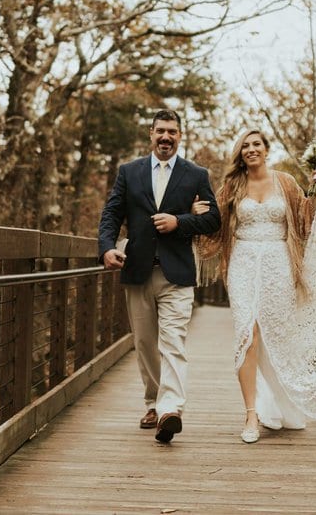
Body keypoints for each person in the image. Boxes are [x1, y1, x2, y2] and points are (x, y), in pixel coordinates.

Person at [194, 129, 316, 444]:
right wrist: (196, 216)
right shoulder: (232, 186)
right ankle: (250, 413)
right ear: (240, 153)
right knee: (248, 333)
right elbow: (214, 226)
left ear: (266, 149)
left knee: (276, 333)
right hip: (243, 262)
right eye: (244, 146)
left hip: (278, 264)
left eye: (256, 144)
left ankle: (280, 401)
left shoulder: (285, 182)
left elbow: (302, 222)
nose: (250, 149)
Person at [97, 109, 221, 443]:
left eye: (173, 132)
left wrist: (180, 222)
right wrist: (106, 248)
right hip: (137, 269)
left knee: (173, 343)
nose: (166, 137)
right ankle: (153, 401)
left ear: (180, 136)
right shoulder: (129, 172)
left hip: (176, 273)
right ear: (151, 134)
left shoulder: (196, 174)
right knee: (145, 344)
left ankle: (171, 409)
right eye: (160, 131)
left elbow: (213, 220)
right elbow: (111, 214)